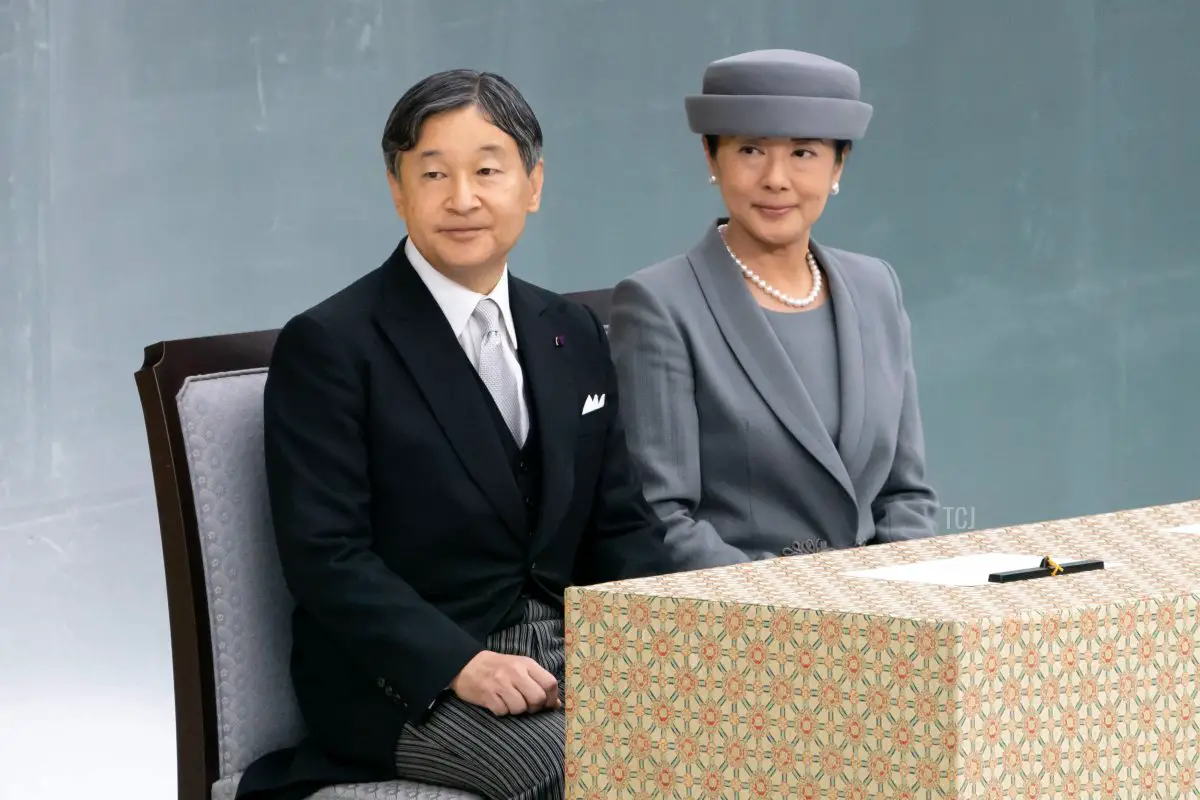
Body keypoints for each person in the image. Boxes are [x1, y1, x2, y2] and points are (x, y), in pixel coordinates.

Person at [236, 69, 671, 800]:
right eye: (433, 173)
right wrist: (462, 664)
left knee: (754, 729)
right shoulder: (333, 344)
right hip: (408, 678)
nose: (462, 198)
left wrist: (675, 646)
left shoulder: (572, 330)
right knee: (598, 768)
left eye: (488, 170)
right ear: (397, 188)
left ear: (532, 184)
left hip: (571, 652)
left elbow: (620, 524)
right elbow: (327, 558)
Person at [608, 49, 939, 571]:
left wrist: (898, 595)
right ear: (711, 158)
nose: (776, 179)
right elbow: (663, 516)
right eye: (751, 150)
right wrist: (798, 608)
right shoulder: (658, 305)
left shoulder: (877, 287)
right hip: (744, 627)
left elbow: (906, 496)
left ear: (839, 164)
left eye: (804, 153)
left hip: (882, 624)